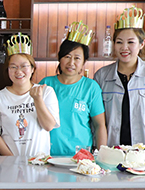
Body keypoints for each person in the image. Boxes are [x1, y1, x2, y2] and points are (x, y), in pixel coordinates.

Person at [93, 6, 145, 147]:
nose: (124, 48)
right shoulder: (101, 76)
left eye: (130, 42)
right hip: (111, 150)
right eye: (119, 42)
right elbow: (96, 119)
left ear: (142, 44)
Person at [39, 21, 106, 156]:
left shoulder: (91, 87)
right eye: (67, 57)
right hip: (48, 154)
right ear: (60, 59)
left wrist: (101, 156)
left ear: (84, 62)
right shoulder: (46, 84)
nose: (71, 63)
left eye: (77, 58)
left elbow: (99, 125)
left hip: (81, 156)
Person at [0, 33, 60, 157]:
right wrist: (12, 161)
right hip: (8, 163)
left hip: (39, 162)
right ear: (8, 70)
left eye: (24, 66)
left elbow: (48, 126)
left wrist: (38, 100)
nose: (18, 71)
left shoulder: (46, 92)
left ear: (32, 69)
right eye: (13, 67)